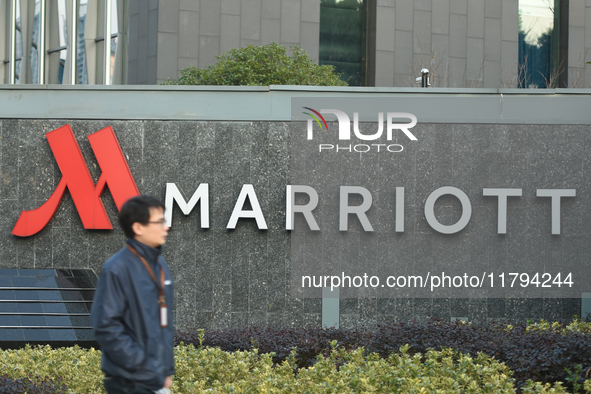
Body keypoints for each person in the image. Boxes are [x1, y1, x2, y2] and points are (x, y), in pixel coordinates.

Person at [91, 195, 174, 394]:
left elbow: (162, 324)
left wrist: (165, 369)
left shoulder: (159, 264)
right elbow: (106, 325)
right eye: (160, 221)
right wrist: (142, 363)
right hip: (128, 382)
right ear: (138, 228)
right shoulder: (117, 268)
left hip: (154, 378)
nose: (166, 227)